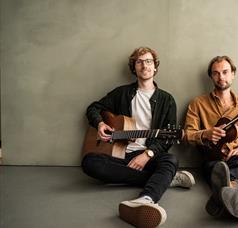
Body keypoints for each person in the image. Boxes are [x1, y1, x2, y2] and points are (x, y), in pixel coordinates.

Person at [82, 46, 195, 227]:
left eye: (149, 61)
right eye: (139, 62)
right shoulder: (122, 93)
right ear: (134, 67)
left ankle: (146, 199)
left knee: (171, 160)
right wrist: (100, 124)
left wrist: (147, 154)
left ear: (155, 67)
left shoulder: (167, 100)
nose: (144, 66)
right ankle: (166, 179)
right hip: (120, 153)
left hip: (149, 154)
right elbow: (93, 108)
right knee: (90, 162)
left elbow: (167, 139)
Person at [184, 55, 238, 223]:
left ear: (233, 74)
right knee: (217, 168)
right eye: (216, 73)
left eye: (225, 72)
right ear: (211, 76)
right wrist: (205, 134)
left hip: (237, 157)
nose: (221, 77)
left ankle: (228, 193)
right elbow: (187, 135)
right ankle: (237, 200)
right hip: (212, 158)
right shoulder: (197, 103)